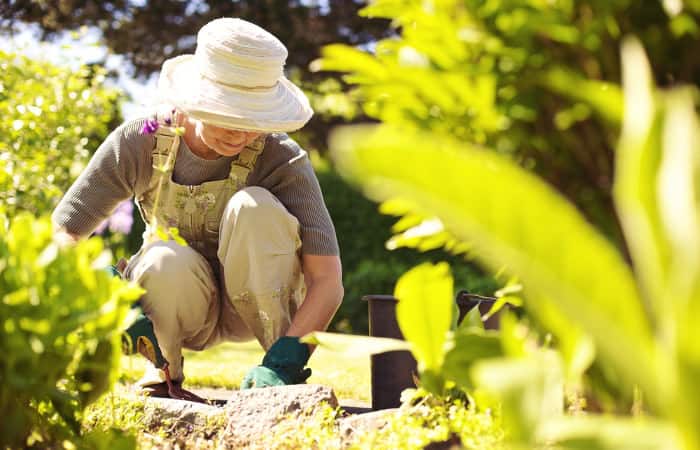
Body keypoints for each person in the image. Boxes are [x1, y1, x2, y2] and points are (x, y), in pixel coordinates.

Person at [52, 17, 343, 396]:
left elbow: (327, 281)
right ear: (195, 99)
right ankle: (164, 371)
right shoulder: (141, 142)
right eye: (227, 114)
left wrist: (290, 356)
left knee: (254, 207)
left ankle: (274, 378)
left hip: (256, 305)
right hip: (174, 301)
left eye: (252, 118)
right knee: (161, 259)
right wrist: (101, 286)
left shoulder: (280, 158)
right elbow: (62, 235)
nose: (239, 132)